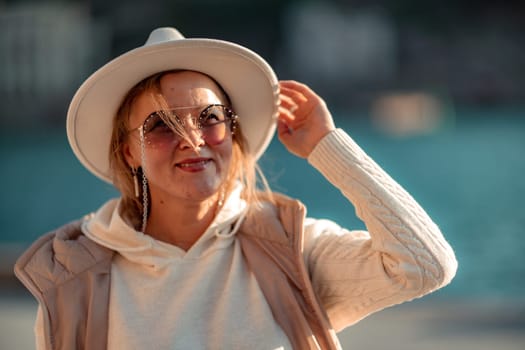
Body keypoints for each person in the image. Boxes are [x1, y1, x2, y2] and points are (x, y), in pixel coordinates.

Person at [14, 27, 457, 350]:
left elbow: (425, 266)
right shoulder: (73, 277)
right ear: (129, 152)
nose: (193, 140)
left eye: (210, 119)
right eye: (161, 126)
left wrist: (327, 147)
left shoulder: (290, 250)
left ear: (234, 135)